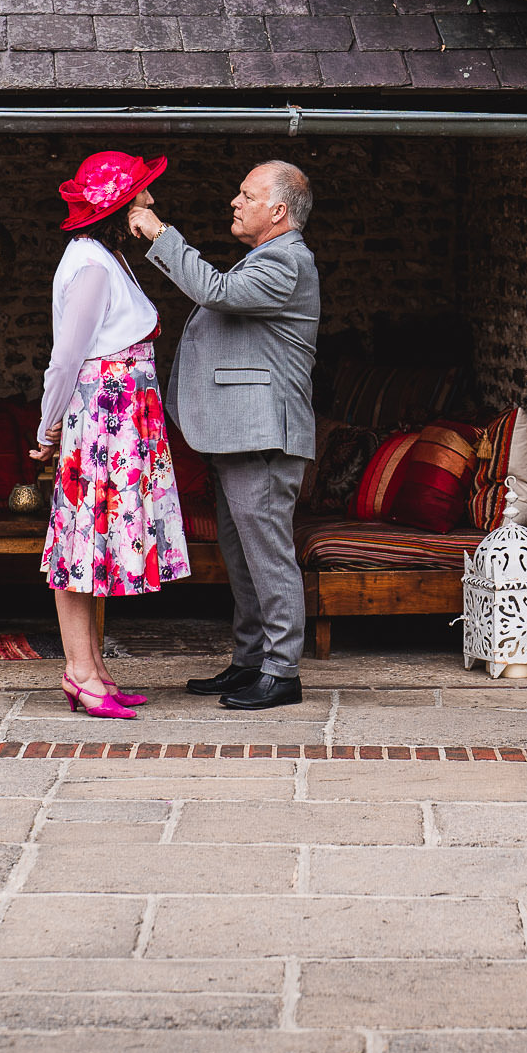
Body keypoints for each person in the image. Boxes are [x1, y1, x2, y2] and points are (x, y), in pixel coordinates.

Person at [129, 160, 321, 710]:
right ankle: (249, 662)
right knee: (242, 556)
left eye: (247, 195)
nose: (234, 202)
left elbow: (217, 292)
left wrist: (160, 233)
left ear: (278, 211)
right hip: (237, 433)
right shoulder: (267, 258)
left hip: (262, 435)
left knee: (268, 554)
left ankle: (281, 672)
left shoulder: (287, 261)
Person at [31, 150, 191, 720]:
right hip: (104, 417)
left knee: (93, 543)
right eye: (142, 194)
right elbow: (67, 356)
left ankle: (95, 669)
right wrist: (47, 427)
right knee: (80, 544)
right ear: (119, 206)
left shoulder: (106, 257)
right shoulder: (93, 265)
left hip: (120, 417)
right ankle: (78, 672)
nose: (150, 201)